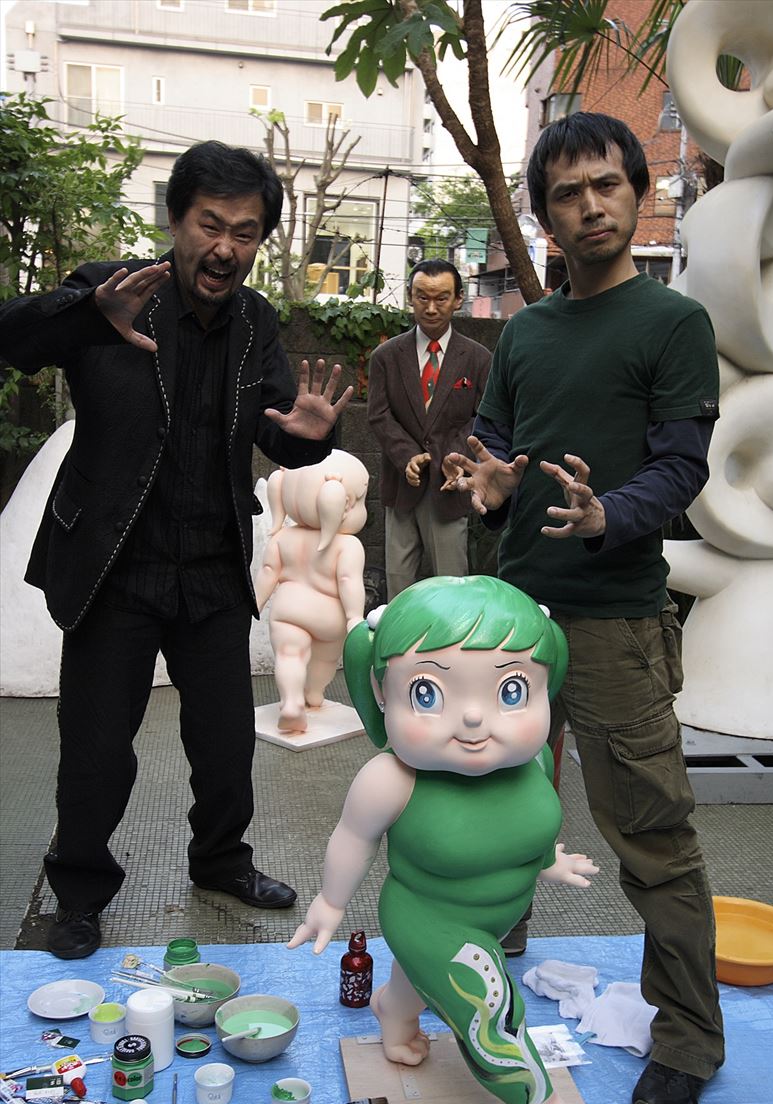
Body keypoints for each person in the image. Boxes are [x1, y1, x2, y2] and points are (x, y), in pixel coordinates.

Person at [0, 140, 353, 961]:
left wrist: (307, 440)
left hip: (212, 566)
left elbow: (278, 430)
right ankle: (78, 892)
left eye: (246, 232)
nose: (226, 247)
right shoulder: (112, 291)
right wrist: (85, 316)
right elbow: (10, 338)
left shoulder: (256, 322)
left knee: (226, 743)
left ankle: (221, 860)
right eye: (210, 225)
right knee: (96, 750)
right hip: (115, 565)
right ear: (175, 220)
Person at [444, 112, 725, 1104]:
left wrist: (612, 515)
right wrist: (484, 482)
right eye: (567, 193)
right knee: (493, 800)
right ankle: (492, 951)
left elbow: (681, 465)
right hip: (515, 615)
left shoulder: (672, 323)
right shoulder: (524, 331)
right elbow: (492, 446)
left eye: (607, 184)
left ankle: (686, 1034)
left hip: (613, 619)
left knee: (649, 832)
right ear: (544, 217)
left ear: (637, 192)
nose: (591, 205)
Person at [288, 575, 599, 1104]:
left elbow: (522, 828)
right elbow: (353, 838)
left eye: (511, 691)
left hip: (495, 915)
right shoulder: (392, 778)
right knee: (489, 1005)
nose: (475, 718)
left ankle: (395, 1009)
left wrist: (548, 862)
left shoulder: (531, 759)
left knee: (433, 980)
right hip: (428, 916)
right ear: (382, 693)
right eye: (428, 693)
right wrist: (330, 902)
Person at [367, 259, 491, 599]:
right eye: (422, 297)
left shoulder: (478, 359)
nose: (431, 308)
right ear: (410, 296)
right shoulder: (386, 357)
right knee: (398, 589)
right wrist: (407, 455)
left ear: (458, 299)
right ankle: (398, 636)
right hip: (401, 487)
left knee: (453, 589)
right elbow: (379, 415)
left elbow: (482, 417)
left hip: (450, 489)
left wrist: (455, 457)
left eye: (441, 298)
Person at [254, 450, 368, 734]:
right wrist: (354, 617)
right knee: (325, 660)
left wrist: (254, 604)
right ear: (346, 504)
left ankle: (291, 702)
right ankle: (314, 694)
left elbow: (268, 572)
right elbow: (348, 581)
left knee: (289, 655)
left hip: (288, 610)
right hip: (329, 618)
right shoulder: (347, 546)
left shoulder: (282, 538)